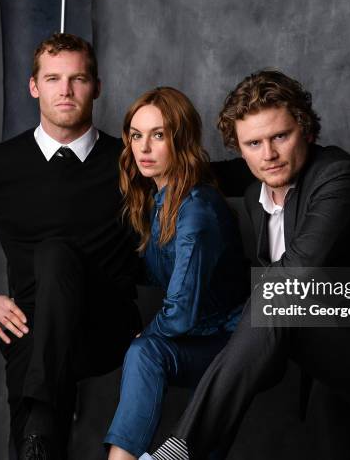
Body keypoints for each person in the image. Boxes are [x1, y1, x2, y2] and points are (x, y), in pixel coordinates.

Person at [148, 70, 350, 460]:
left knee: (277, 293)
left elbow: (295, 277)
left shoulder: (339, 177)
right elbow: (200, 170)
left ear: (306, 131)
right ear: (240, 148)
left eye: (280, 137)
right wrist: (147, 156)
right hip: (326, 356)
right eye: (253, 143)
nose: (268, 155)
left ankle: (182, 448)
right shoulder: (257, 190)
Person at [0, 33, 143, 460]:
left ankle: (37, 420)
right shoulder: (0, 163)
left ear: (96, 87)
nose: (66, 90)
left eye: (78, 79)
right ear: (33, 86)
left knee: (53, 257)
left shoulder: (129, 159)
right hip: (34, 327)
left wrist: (297, 164)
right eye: (53, 78)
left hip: (106, 325)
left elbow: (195, 176)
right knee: (32, 345)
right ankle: (36, 440)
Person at [104, 87, 249, 460]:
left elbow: (181, 312)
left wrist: (146, 331)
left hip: (229, 345)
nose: (144, 148)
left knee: (144, 350)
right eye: (136, 135)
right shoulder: (158, 200)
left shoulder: (196, 210)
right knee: (143, 351)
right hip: (197, 338)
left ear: (180, 139)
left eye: (158, 134)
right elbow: (158, 271)